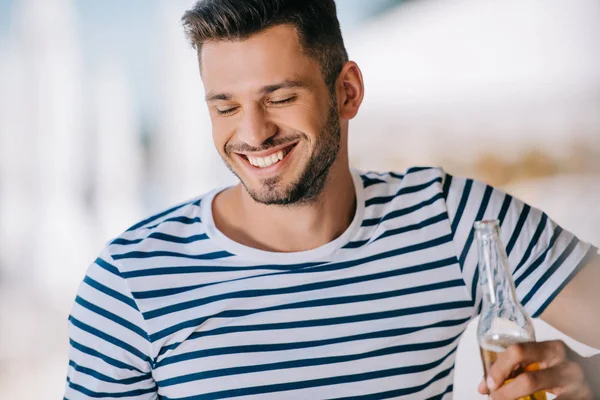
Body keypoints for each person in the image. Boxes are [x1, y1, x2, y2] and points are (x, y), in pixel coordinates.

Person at [64, 0, 600, 399]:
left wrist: (588, 377)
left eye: (280, 97)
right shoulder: (129, 283)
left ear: (347, 91)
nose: (252, 133)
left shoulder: (450, 219)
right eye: (225, 107)